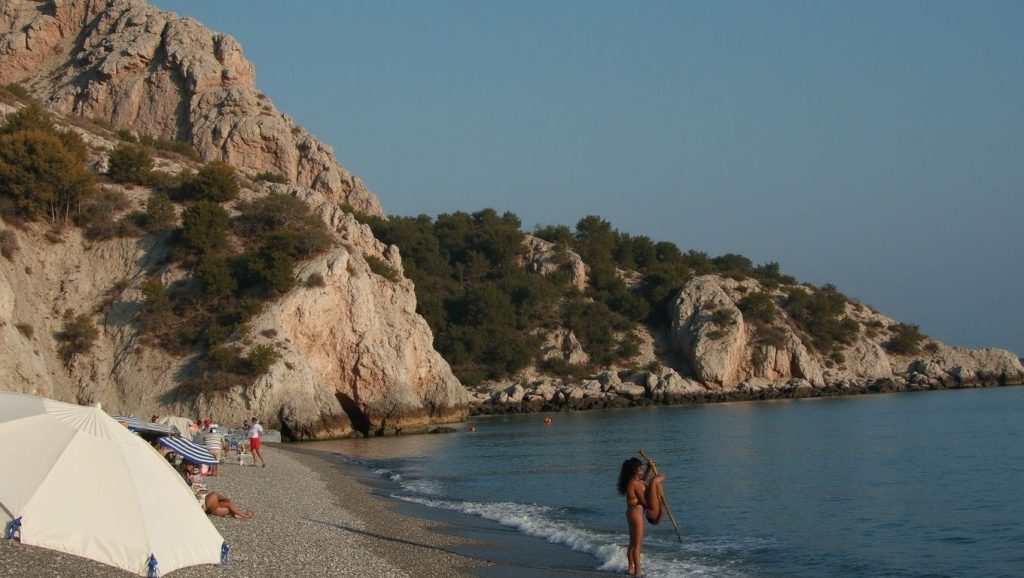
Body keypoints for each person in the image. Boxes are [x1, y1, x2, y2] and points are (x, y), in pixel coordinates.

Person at [617, 457, 666, 577]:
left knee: (632, 543)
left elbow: (643, 481)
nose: (642, 468)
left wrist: (649, 468)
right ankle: (638, 571)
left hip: (631, 512)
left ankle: (631, 568)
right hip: (636, 513)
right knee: (637, 544)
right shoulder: (635, 483)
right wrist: (658, 497)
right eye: (641, 467)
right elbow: (645, 502)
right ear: (635, 470)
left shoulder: (633, 481)